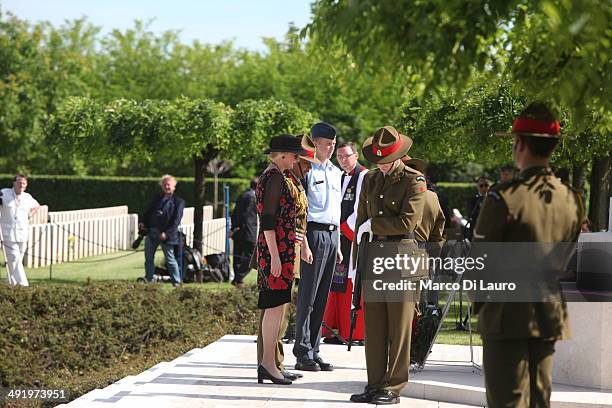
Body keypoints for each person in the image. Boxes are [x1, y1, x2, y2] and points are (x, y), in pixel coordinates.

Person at [472, 102, 585, 407]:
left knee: (507, 401)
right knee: (539, 401)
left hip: (506, 315)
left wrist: (481, 308)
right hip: (548, 313)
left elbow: (481, 264)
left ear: (519, 144)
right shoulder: (572, 199)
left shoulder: (504, 197)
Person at [350, 126, 427, 405]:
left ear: (396, 157)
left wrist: (375, 224)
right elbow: (361, 220)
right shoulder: (370, 180)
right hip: (373, 257)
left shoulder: (413, 180)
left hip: (401, 255)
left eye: (384, 161)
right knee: (375, 326)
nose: (380, 166)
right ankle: (374, 383)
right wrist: (356, 258)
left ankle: (393, 386)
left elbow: (408, 222)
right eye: (377, 161)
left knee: (399, 327)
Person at [255, 135, 318, 382]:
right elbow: (268, 221)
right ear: (281, 155)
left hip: (284, 250)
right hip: (277, 251)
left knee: (278, 307)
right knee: (273, 308)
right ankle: (268, 364)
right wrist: (275, 258)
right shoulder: (273, 178)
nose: (296, 159)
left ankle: (270, 364)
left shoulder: (279, 177)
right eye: (294, 155)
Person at [293, 122, 343, 372]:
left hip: (333, 236)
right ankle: (302, 351)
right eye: (327, 144)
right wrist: (302, 242)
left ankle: (314, 348)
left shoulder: (336, 172)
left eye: (334, 144)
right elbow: (300, 211)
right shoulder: (307, 170)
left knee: (322, 296)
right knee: (308, 296)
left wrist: (340, 244)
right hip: (313, 235)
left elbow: (337, 210)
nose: (332, 148)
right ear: (315, 144)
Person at [322, 141, 367, 344]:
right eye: (339, 157)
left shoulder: (364, 176)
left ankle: (354, 332)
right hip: (337, 236)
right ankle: (335, 329)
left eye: (347, 156)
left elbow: (361, 209)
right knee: (335, 283)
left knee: (350, 282)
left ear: (356, 156)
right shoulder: (339, 176)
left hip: (350, 237)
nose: (343, 160)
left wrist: (344, 229)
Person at [141, 175, 185, 287]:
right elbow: (148, 211)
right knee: (149, 259)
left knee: (170, 259)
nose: (166, 186)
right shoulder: (157, 198)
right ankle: (149, 281)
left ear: (174, 186)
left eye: (168, 184)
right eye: (164, 184)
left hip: (166, 235)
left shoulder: (178, 202)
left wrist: (167, 233)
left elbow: (176, 220)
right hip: (152, 233)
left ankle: (176, 282)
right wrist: (143, 222)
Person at [0, 174, 40, 286]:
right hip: (7, 234)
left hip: (22, 233)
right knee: (14, 258)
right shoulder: (4, 193)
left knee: (16, 261)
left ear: (26, 185)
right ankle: (23, 285)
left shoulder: (27, 197)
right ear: (14, 183)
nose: (21, 185)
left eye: (23, 183)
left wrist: (29, 215)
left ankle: (10, 284)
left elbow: (37, 206)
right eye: (18, 183)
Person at [230, 179, 258, 288]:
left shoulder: (244, 195)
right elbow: (246, 215)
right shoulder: (252, 197)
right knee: (251, 255)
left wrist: (234, 227)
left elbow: (235, 212)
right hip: (247, 230)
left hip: (239, 230)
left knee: (238, 255)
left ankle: (238, 279)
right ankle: (238, 278)